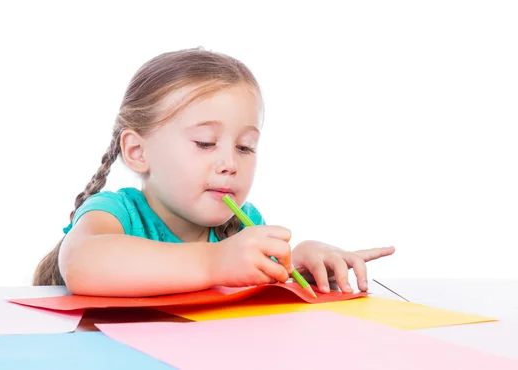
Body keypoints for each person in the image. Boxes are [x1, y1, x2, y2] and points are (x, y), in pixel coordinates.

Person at [32, 47, 395, 297]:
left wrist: (296, 263)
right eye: (205, 143)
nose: (230, 163)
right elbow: (82, 262)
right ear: (138, 151)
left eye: (245, 147)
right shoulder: (116, 212)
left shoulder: (243, 225)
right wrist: (215, 263)